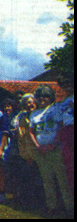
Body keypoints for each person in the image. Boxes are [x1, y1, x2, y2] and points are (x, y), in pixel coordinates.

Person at [29, 84, 74, 215]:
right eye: (40, 96)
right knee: (47, 180)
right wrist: (37, 146)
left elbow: (61, 126)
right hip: (40, 150)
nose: (43, 99)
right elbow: (31, 132)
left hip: (55, 149)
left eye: (46, 96)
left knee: (62, 179)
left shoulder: (55, 109)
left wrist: (53, 144)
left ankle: (69, 207)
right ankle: (52, 206)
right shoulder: (34, 113)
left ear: (51, 97)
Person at [15, 94, 45, 208]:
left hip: (44, 151)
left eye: (32, 102)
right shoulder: (23, 120)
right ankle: (34, 204)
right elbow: (21, 140)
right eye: (27, 103)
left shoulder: (42, 115)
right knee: (32, 180)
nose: (30, 104)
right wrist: (26, 156)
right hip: (30, 155)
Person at [56, 74, 74, 194]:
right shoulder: (63, 101)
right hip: (66, 132)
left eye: (69, 83)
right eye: (64, 84)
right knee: (69, 166)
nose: (67, 86)